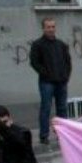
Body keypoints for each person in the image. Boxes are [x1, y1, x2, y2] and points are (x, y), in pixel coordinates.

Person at [29, 17, 71, 145]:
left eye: (53, 26)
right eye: (48, 27)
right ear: (43, 28)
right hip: (46, 82)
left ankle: (62, 133)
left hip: (61, 82)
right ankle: (44, 135)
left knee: (62, 108)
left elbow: (68, 62)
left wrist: (66, 76)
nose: (51, 29)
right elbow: (34, 62)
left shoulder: (61, 45)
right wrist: (46, 73)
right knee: (46, 108)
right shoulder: (37, 44)